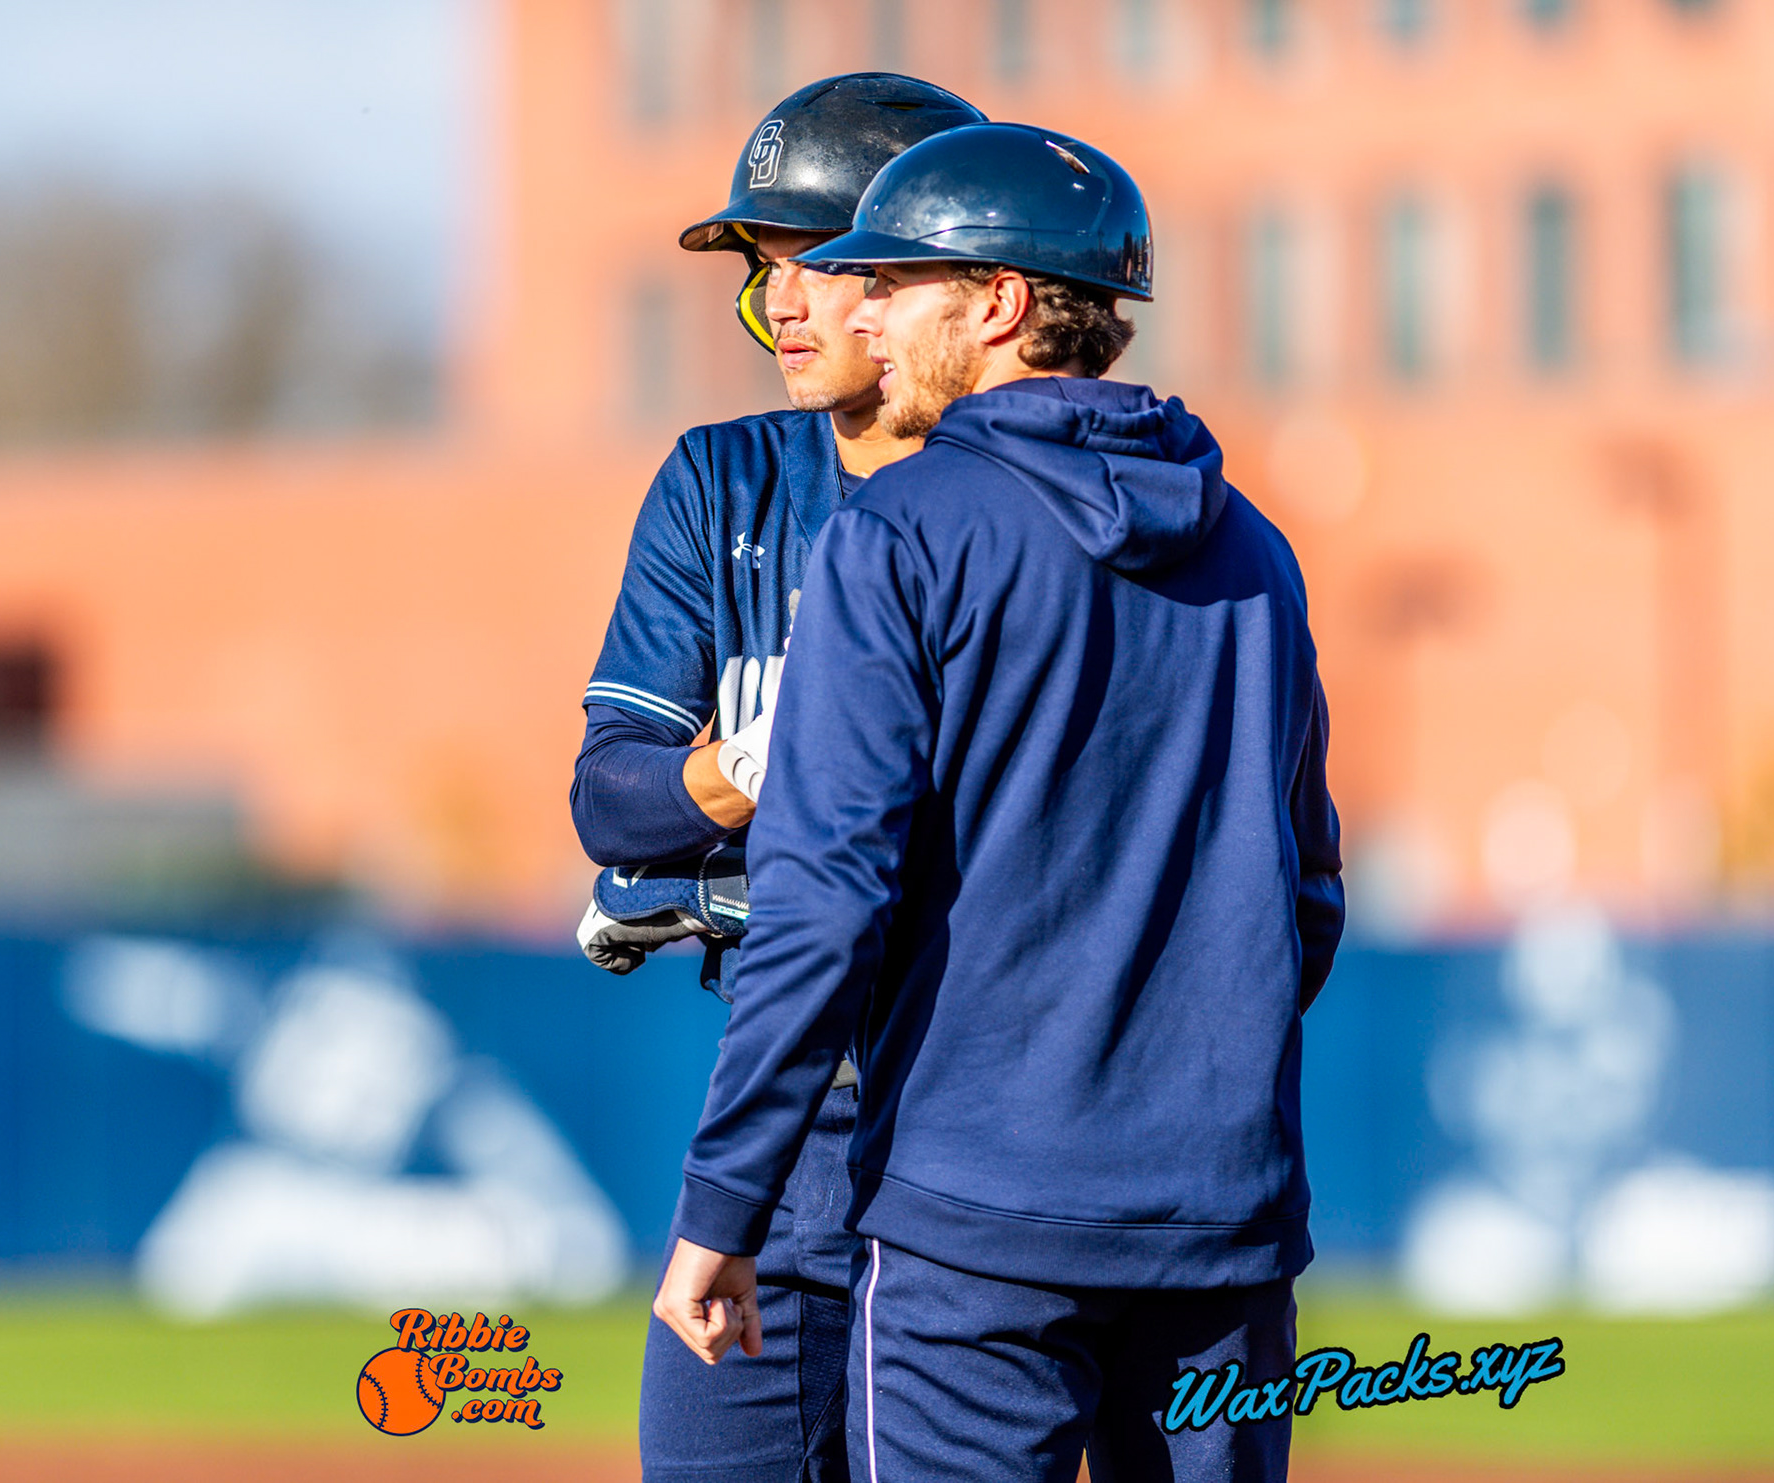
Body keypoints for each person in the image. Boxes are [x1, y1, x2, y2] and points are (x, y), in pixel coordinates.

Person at [653, 123, 1346, 1483]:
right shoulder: (1256, 547)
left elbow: (821, 903)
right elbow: (1306, 895)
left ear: (1003, 305)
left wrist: (724, 1204)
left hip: (974, 1239)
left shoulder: (902, 529)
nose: (863, 310)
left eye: (897, 281)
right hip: (1220, 1229)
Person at [568, 73, 984, 1483]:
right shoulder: (722, 480)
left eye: (818, 261)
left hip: (982, 1113)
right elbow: (612, 796)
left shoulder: (1025, 505)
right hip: (786, 1112)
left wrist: (747, 821)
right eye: (764, 272)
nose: (782, 305)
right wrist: (756, 776)